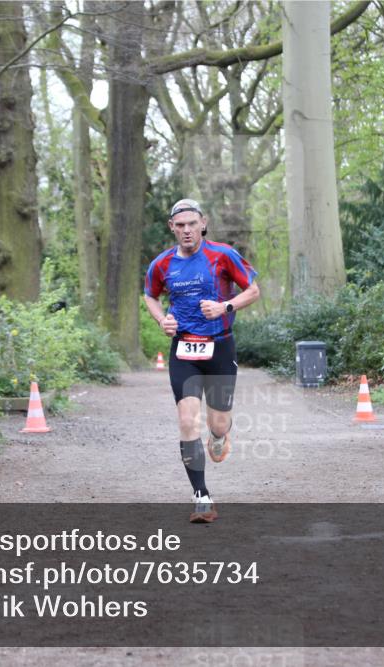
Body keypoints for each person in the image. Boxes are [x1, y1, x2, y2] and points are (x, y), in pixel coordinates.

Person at [143, 199, 260, 523]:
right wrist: (161, 319)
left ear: (203, 224)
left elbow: (253, 291)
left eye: (192, 224)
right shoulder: (161, 264)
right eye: (180, 225)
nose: (187, 230)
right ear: (172, 227)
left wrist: (225, 307)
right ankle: (201, 497)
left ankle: (220, 435)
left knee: (217, 423)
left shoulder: (223, 255)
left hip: (220, 348)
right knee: (186, 420)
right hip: (184, 351)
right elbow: (150, 295)